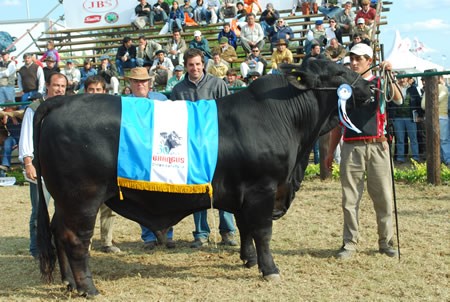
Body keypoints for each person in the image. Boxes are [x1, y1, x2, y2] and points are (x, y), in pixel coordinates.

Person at [325, 43, 402, 259]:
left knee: (384, 197)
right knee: (349, 198)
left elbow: (398, 98)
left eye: (360, 58)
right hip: (350, 146)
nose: (354, 62)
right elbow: (339, 123)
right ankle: (349, 243)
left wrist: (389, 73)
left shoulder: (379, 82)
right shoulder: (344, 88)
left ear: (370, 61)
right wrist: (331, 152)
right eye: (352, 58)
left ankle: (385, 241)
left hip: (378, 145)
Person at [170, 48, 236, 248]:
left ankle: (228, 232)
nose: (195, 68)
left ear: (203, 64)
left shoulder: (218, 84)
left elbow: (228, 115)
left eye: (198, 64)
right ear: (185, 66)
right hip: (192, 148)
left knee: (224, 188)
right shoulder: (178, 90)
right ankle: (201, 233)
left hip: (218, 145)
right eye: (191, 65)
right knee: (197, 190)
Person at [19, 72, 67, 259]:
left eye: (63, 86)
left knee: (62, 210)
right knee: (40, 210)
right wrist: (28, 163)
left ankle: (57, 246)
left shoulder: (68, 108)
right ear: (47, 86)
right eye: (56, 85)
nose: (59, 90)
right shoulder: (35, 108)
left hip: (62, 169)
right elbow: (26, 138)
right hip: (41, 168)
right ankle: (37, 248)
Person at [126, 67, 173, 250]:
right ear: (129, 83)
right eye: (136, 81)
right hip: (136, 155)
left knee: (166, 195)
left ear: (150, 83)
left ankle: (167, 235)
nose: (140, 84)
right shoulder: (123, 103)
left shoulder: (162, 100)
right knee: (142, 198)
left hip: (161, 153)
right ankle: (148, 237)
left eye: (144, 81)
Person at [84, 75, 121, 253]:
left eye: (98, 90)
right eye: (91, 90)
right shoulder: (79, 112)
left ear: (104, 91)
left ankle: (107, 241)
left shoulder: (110, 111)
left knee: (108, 206)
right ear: (85, 91)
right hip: (86, 168)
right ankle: (86, 242)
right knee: (86, 207)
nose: (94, 93)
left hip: (106, 165)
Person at [388, 76, 421, 163]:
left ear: (407, 79)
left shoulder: (412, 89)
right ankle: (400, 158)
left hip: (410, 117)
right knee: (400, 140)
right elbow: (390, 103)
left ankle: (416, 157)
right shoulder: (394, 89)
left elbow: (418, 101)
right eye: (400, 78)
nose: (402, 80)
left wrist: (419, 114)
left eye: (404, 78)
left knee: (413, 139)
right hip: (397, 118)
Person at [421, 76, 450, 166]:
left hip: (441, 116)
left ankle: (447, 159)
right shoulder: (428, 89)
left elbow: (433, 102)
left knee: (443, 139)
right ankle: (440, 159)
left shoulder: (443, 88)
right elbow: (423, 105)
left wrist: (429, 102)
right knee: (437, 139)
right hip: (436, 116)